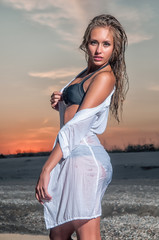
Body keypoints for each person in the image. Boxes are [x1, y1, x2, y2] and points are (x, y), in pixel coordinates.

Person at [35, 14, 128, 240]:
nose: (99, 49)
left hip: (85, 160)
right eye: (94, 42)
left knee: (86, 236)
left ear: (114, 49)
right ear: (86, 43)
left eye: (106, 44)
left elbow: (78, 126)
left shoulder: (105, 77)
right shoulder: (86, 73)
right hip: (71, 156)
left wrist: (47, 168)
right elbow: (73, 116)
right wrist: (61, 103)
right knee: (58, 234)